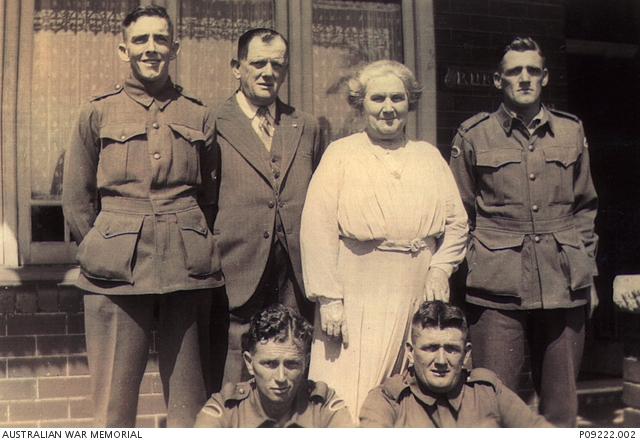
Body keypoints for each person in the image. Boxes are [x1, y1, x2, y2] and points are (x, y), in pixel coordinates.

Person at [62, 5, 221, 427]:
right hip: (114, 270)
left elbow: (210, 194)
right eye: (140, 40)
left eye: (160, 39)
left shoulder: (198, 114)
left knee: (191, 405)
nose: (151, 49)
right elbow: (77, 200)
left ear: (175, 48)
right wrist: (102, 246)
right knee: (113, 406)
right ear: (123, 48)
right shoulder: (96, 113)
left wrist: (193, 235)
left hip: (187, 267)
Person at [300, 60, 468, 418]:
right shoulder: (341, 154)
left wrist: (439, 270)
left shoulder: (428, 157)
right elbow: (317, 227)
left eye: (397, 97)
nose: (388, 107)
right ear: (361, 103)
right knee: (349, 388)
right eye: (378, 98)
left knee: (411, 390)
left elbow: (457, 224)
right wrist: (329, 298)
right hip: (359, 289)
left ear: (410, 103)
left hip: (417, 287)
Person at [449, 37, 598, 427]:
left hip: (563, 282)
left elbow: (585, 207)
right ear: (498, 80)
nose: (525, 78)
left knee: (562, 409)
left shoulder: (570, 131)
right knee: (493, 403)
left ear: (545, 77)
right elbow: (458, 213)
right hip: (497, 287)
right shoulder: (473, 135)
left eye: (533, 70)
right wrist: (476, 262)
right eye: (515, 71)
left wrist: (586, 271)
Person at [211, 28, 322, 387]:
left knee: (290, 364)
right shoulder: (213, 122)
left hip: (294, 270)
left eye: (277, 64)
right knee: (235, 369)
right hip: (237, 267)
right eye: (258, 63)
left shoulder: (305, 125)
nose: (268, 72)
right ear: (236, 67)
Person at [359, 301, 553, 427]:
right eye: (430, 348)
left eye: (451, 349)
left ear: (466, 353)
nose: (442, 361)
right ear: (410, 353)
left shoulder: (487, 392)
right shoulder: (388, 401)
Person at [195, 304, 353, 427]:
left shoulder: (323, 407)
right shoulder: (226, 410)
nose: (281, 377)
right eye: (270, 364)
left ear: (305, 363)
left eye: (292, 364)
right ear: (249, 363)